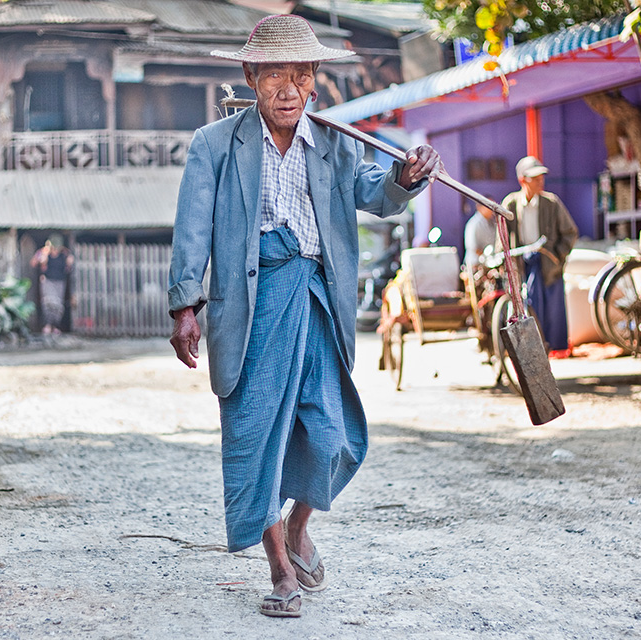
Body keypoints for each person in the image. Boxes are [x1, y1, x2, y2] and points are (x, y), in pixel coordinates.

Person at [167, 15, 441, 618]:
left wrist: (405, 177)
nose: (288, 89)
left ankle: (297, 526)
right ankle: (280, 572)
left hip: (317, 298)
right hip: (252, 305)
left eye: (299, 75)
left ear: (314, 79)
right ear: (250, 77)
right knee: (257, 438)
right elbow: (191, 229)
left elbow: (376, 191)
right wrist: (185, 305)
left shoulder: (334, 141)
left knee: (333, 434)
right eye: (274, 76)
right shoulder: (214, 144)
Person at [500, 156, 579, 355]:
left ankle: (548, 349)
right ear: (522, 180)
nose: (540, 182)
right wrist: (503, 259)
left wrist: (558, 256)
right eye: (535, 178)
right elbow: (501, 237)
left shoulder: (551, 203)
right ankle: (530, 350)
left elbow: (570, 232)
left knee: (552, 311)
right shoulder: (510, 204)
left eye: (541, 177)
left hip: (547, 262)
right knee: (527, 307)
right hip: (522, 261)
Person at [29, 233, 73, 335]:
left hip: (60, 281)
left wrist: (69, 261)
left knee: (58, 305)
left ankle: (56, 326)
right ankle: (47, 325)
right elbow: (33, 263)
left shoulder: (65, 254)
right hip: (47, 281)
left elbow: (69, 267)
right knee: (48, 303)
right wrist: (43, 256)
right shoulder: (43, 252)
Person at [463, 201, 497, 268]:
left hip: (489, 264)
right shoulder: (473, 224)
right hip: (475, 265)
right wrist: (486, 256)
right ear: (479, 207)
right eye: (488, 206)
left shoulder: (492, 223)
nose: (491, 209)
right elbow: (473, 247)